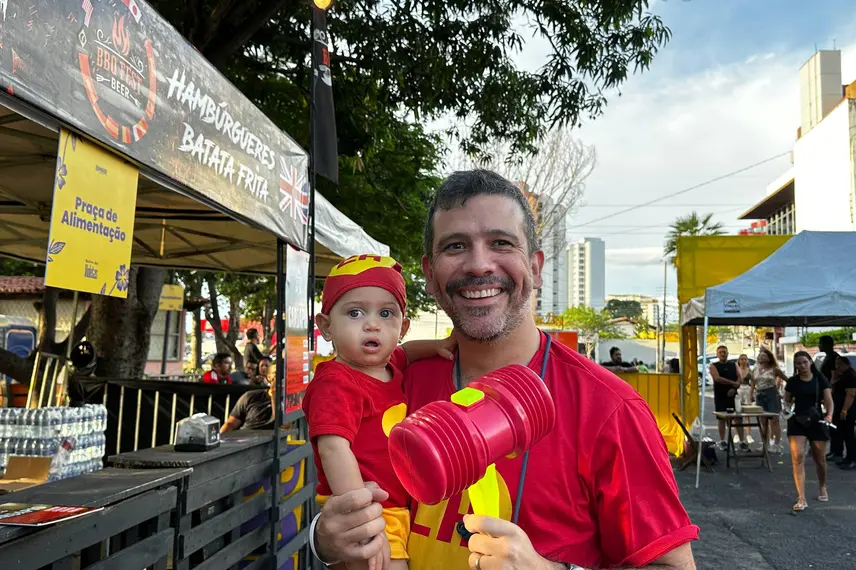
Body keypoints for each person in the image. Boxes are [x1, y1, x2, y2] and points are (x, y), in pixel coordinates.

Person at [310, 169, 697, 570]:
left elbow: (674, 566)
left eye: (501, 243)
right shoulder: (397, 382)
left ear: (536, 266)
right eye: (456, 246)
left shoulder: (609, 409)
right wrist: (323, 539)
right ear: (429, 274)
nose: (479, 265)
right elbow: (359, 515)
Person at [302, 254, 456, 570]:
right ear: (326, 327)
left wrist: (441, 345)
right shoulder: (336, 382)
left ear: (402, 327)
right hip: (366, 511)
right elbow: (333, 448)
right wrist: (361, 517)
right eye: (355, 312)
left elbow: (406, 353)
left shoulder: (389, 366)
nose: (372, 324)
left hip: (395, 509)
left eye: (386, 313)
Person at [784, 351, 834, 512]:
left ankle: (822, 486)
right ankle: (801, 497)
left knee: (820, 459)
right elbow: (786, 400)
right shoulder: (792, 381)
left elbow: (828, 401)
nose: (802, 366)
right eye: (798, 363)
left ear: (810, 362)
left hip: (817, 421)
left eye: (804, 362)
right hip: (797, 421)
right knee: (797, 457)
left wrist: (829, 416)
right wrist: (787, 410)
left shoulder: (820, 379)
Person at [709, 346, 748, 451]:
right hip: (720, 395)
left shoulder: (733, 365)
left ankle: (742, 441)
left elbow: (740, 378)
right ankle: (722, 441)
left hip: (733, 396)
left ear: (727, 353)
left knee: (738, 418)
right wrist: (733, 383)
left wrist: (735, 388)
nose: (722, 354)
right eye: (720, 352)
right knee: (721, 418)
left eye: (724, 352)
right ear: (717, 354)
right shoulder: (713, 366)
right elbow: (717, 378)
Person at [749, 347, 787, 453]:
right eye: (760, 355)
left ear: (769, 358)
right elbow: (753, 383)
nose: (761, 356)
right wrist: (751, 395)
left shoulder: (774, 369)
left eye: (764, 355)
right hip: (760, 395)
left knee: (774, 420)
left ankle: (776, 445)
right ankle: (764, 444)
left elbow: (786, 379)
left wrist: (786, 394)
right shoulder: (755, 368)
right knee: (763, 421)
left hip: (772, 394)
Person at [830, 354, 856, 469]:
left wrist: (845, 410)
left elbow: (851, 394)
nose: (837, 366)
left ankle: (853, 459)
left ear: (845, 363)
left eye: (839, 364)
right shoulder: (842, 374)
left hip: (848, 410)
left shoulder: (850, 375)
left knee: (849, 435)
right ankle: (848, 458)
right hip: (840, 407)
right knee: (845, 434)